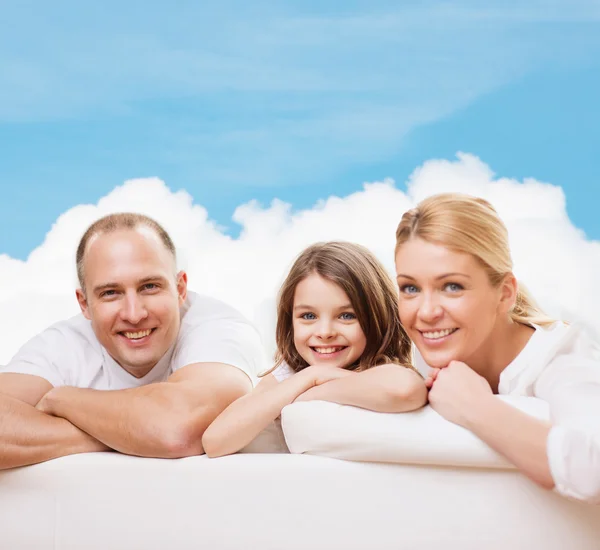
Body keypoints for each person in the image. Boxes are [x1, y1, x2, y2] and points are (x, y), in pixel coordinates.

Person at [0, 213, 265, 469]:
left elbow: (177, 431)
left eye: (149, 286)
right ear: (84, 304)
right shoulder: (63, 344)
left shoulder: (220, 329)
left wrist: (61, 400)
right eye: (110, 293)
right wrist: (129, 435)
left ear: (180, 289)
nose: (134, 314)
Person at [394, 192, 600, 504]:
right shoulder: (424, 351)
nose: (425, 312)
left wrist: (475, 407)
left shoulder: (564, 359)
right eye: (410, 288)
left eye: (452, 286)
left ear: (504, 293)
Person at [202, 241, 428, 457]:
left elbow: (406, 390)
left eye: (346, 316)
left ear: (378, 316)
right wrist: (311, 375)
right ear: (290, 320)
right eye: (308, 316)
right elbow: (215, 441)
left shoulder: (383, 368)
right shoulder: (291, 375)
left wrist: (310, 389)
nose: (325, 331)